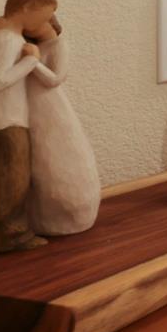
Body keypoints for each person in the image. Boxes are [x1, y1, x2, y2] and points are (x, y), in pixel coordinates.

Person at [0, 0, 57, 252]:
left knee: (2, 177)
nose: (45, 23)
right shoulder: (5, 40)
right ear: (26, 8)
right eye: (44, 15)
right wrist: (31, 61)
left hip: (4, 119)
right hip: (7, 120)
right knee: (14, 178)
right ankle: (13, 235)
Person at [26, 15, 101, 235]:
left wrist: (32, 62)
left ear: (50, 21)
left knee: (58, 156)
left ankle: (70, 214)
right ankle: (40, 216)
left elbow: (55, 78)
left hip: (51, 108)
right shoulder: (35, 46)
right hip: (34, 108)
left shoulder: (59, 45)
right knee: (39, 161)